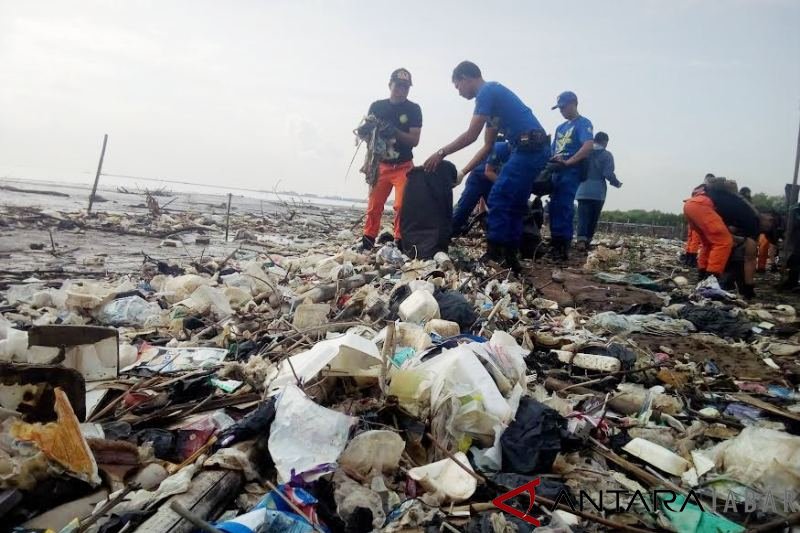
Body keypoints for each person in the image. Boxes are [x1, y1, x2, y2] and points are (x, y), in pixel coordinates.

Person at [424, 61, 550, 273]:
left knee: (499, 196)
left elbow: (471, 135)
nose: (459, 92)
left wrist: (441, 153)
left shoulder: (487, 91)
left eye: (457, 86)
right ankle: (511, 258)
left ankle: (495, 253)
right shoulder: (493, 107)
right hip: (529, 149)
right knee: (516, 204)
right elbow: (487, 146)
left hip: (530, 149)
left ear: (465, 77)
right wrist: (463, 172)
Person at [360, 68, 422, 252]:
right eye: (398, 86)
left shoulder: (414, 109)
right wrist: (368, 131)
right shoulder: (377, 107)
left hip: (403, 166)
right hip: (380, 165)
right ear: (390, 85)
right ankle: (368, 240)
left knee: (402, 206)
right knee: (374, 206)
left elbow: (414, 140)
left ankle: (400, 241)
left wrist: (394, 131)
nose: (402, 90)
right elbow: (367, 136)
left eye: (405, 87)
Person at [548, 91, 595, 261]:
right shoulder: (560, 128)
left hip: (571, 171)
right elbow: (552, 150)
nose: (561, 111)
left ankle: (562, 247)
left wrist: (569, 162)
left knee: (564, 207)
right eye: (559, 108)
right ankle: (554, 243)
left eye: (563, 107)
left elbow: (588, 146)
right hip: (556, 171)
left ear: (574, 103)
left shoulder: (583, 123)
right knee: (553, 207)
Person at [451, 137, 511, 237]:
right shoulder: (498, 148)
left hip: (492, 183)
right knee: (463, 209)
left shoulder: (515, 156)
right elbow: (488, 172)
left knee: (499, 212)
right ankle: (450, 232)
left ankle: (497, 237)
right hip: (477, 180)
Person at [574, 131, 621, 251]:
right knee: (593, 218)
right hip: (598, 192)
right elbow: (608, 173)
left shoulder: (584, 152)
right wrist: (616, 183)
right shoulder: (606, 155)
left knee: (582, 217)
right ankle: (588, 240)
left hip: (582, 190)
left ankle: (581, 240)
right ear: (605, 142)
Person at [683, 179, 733, 282]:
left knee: (707, 243)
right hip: (701, 206)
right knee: (723, 242)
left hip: (690, 205)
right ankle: (711, 279)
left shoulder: (705, 189)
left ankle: (702, 275)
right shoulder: (725, 195)